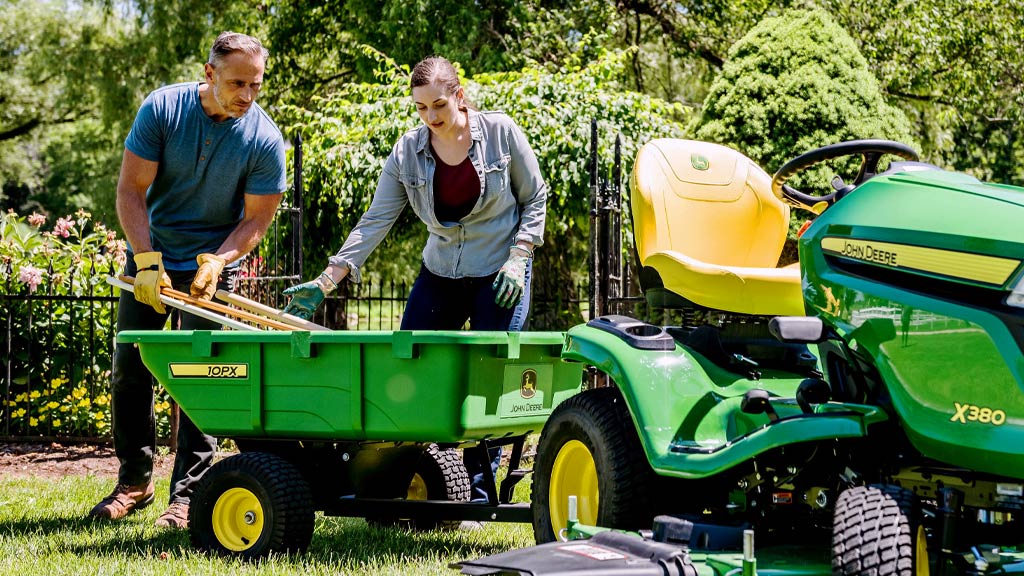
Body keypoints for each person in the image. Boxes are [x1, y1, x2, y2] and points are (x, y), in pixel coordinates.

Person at [282, 55, 547, 501]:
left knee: (488, 379)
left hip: (501, 271)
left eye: (438, 105)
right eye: (421, 109)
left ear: (459, 97)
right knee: (411, 367)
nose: (431, 117)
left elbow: (536, 197)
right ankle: (401, 481)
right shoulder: (408, 151)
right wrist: (327, 280)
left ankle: (481, 495)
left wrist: (520, 256)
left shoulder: (502, 133)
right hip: (441, 270)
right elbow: (376, 220)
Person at [88, 32, 287, 529]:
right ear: (209, 73)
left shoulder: (263, 138)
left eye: (256, 85)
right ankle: (134, 480)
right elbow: (131, 191)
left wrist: (219, 261)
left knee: (206, 378)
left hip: (214, 264)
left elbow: (257, 220)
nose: (247, 95)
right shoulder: (163, 110)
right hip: (152, 252)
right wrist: (145, 259)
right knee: (130, 368)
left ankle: (188, 495)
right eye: (238, 82)